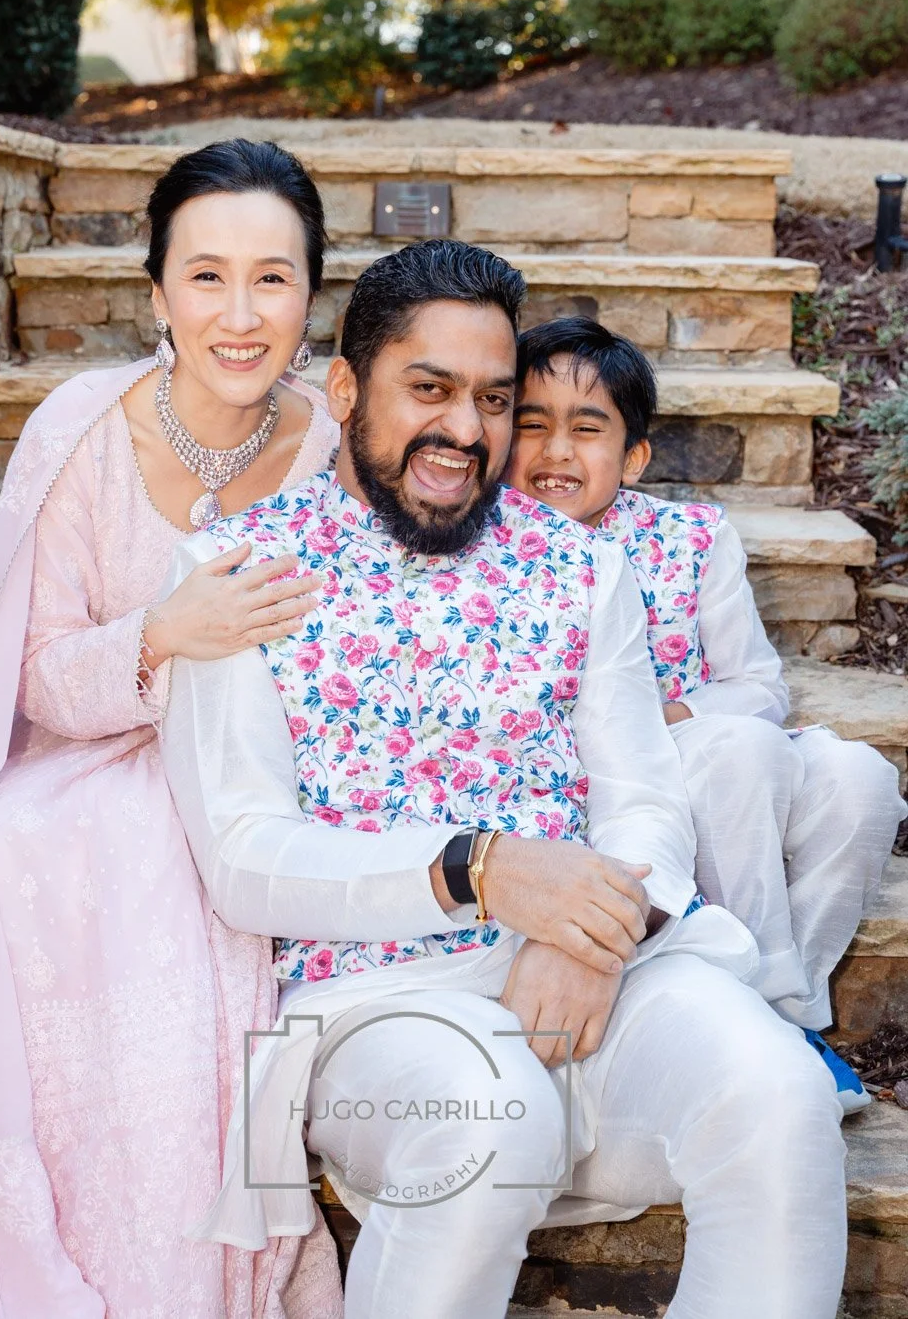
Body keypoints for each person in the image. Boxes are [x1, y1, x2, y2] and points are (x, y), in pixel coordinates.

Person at [160, 238, 847, 1319]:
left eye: (490, 398)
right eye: (427, 389)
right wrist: (481, 873)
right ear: (345, 387)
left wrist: (597, 932)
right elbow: (245, 854)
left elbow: (644, 801)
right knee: (492, 1121)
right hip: (371, 1002)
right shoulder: (234, 572)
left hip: (602, 971)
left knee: (780, 1095)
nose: (467, 432)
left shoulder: (581, 565)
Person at [0, 140, 343, 1318]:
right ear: (156, 294)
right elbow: (36, 676)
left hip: (272, 772)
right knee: (71, 854)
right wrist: (163, 634)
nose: (240, 313)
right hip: (99, 756)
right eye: (206, 277)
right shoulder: (80, 429)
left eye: (273, 277)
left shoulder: (329, 445)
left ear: (312, 294)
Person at [507, 314, 906, 1114]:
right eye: (532, 424)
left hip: (707, 749)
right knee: (738, 753)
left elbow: (759, 685)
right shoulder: (495, 544)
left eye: (587, 429)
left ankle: (774, 1003)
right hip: (613, 789)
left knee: (860, 778)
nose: (556, 451)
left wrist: (666, 710)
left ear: (633, 457)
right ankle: (780, 1025)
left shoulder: (688, 537)